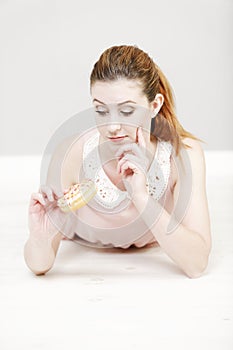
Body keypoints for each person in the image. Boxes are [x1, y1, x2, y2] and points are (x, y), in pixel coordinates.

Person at [24, 45, 211, 278]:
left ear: (154, 105)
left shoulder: (184, 155)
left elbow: (197, 263)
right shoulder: (71, 154)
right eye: (101, 110)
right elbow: (39, 266)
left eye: (127, 111)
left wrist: (141, 197)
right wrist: (40, 238)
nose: (112, 127)